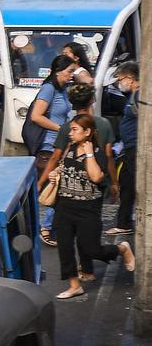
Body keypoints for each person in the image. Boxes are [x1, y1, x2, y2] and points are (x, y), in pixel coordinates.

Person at [48, 115, 135, 300]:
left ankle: (121, 249)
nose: (70, 133)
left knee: (92, 249)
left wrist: (88, 154)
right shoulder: (69, 149)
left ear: (87, 132)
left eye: (74, 130)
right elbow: (63, 168)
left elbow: (96, 177)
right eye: (70, 129)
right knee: (64, 248)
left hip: (87, 210)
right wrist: (55, 174)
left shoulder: (98, 153)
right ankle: (74, 285)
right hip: (64, 206)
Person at [40, 85, 116, 229]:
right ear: (92, 100)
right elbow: (109, 155)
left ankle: (51, 230)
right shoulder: (104, 124)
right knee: (91, 224)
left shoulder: (67, 127)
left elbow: (56, 157)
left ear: (72, 103)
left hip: (70, 188)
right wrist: (114, 182)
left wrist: (40, 182)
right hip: (96, 186)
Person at [26, 55, 74, 247]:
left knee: (55, 188)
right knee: (51, 189)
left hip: (60, 146)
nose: (72, 75)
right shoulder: (49, 89)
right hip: (48, 148)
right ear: (57, 71)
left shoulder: (64, 90)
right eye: (69, 71)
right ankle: (45, 227)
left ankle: (44, 226)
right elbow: (36, 116)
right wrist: (60, 129)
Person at [110, 61, 139, 236]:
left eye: (121, 79)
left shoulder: (139, 95)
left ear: (130, 78)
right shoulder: (133, 96)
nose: (120, 83)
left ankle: (125, 222)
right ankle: (124, 223)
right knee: (127, 186)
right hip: (129, 148)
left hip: (136, 149)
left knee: (132, 185)